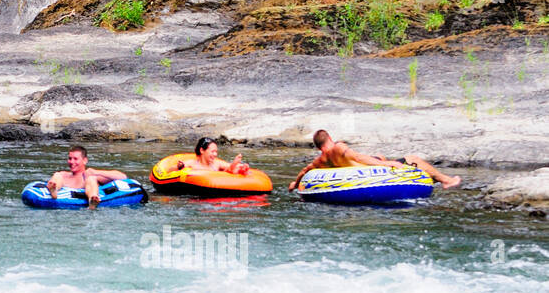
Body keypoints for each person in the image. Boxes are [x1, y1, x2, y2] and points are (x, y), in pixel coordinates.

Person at [289, 129, 461, 190]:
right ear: (330, 138)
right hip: (368, 174)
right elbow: (358, 157)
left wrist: (294, 185)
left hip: (354, 177)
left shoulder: (320, 161)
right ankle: (446, 180)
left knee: (379, 156)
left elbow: (305, 171)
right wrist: (387, 164)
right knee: (411, 158)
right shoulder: (339, 147)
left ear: (319, 147)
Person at [46, 145, 129, 207]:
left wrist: (96, 172)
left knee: (91, 179)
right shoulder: (64, 175)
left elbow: (123, 177)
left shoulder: (89, 175)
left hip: (88, 191)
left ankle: (93, 199)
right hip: (64, 198)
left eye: (75, 159)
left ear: (84, 160)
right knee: (58, 174)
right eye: (70, 158)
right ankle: (54, 190)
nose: (71, 162)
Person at [178, 137, 249, 174]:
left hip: (215, 191)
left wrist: (241, 166)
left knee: (230, 169)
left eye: (216, 152)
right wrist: (180, 166)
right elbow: (170, 170)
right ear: (202, 150)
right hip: (198, 198)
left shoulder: (216, 163)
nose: (215, 154)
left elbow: (228, 166)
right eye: (212, 151)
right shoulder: (191, 163)